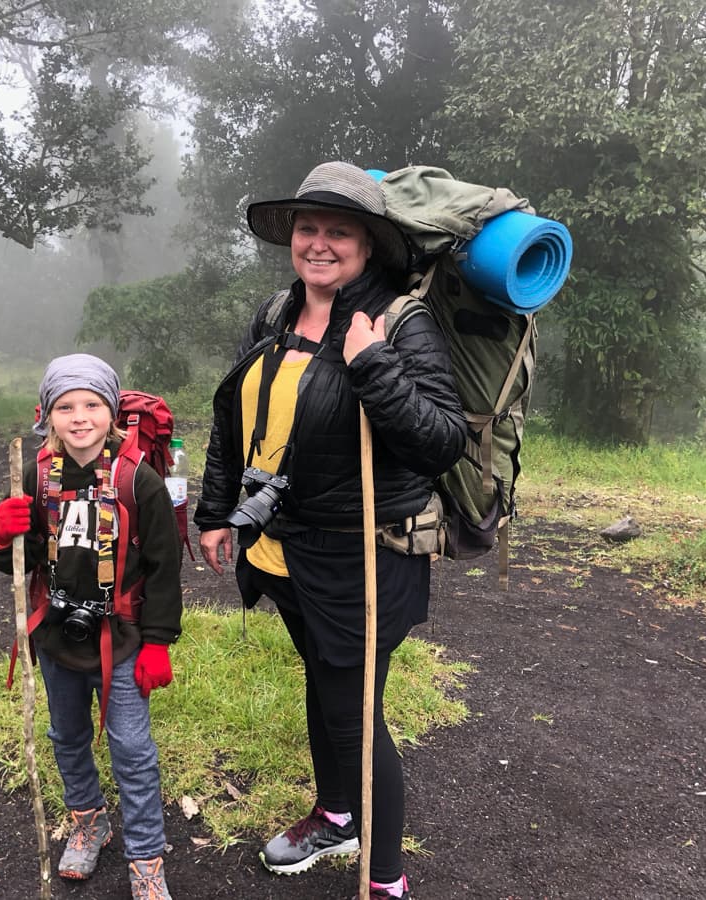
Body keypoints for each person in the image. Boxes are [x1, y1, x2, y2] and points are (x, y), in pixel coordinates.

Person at [194, 162, 469, 900]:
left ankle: (385, 880)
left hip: (366, 560)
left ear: (368, 245)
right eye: (308, 228)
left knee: (354, 711)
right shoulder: (278, 312)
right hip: (286, 548)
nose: (319, 243)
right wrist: (218, 512)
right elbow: (235, 420)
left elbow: (441, 440)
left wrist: (373, 363)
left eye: (338, 231)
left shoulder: (397, 322)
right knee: (323, 690)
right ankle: (337, 814)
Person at [0, 353, 182, 900]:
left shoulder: (137, 480)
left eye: (91, 404)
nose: (79, 417)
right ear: (47, 414)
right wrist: (2, 536)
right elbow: (14, 563)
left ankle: (146, 857)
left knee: (133, 749)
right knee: (67, 735)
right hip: (55, 636)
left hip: (120, 639)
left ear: (111, 410)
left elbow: (165, 568)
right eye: (65, 406)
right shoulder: (35, 475)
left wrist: (158, 643)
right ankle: (89, 821)